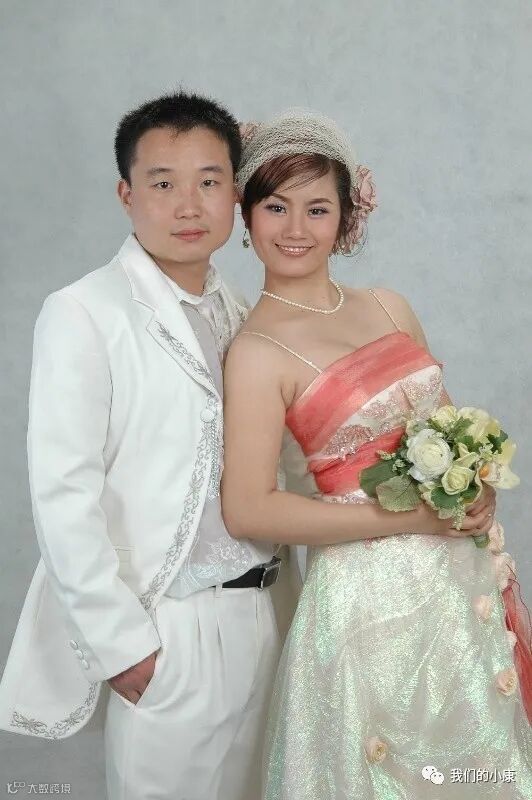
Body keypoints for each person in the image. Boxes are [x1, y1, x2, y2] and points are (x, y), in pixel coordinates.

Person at [0, 92, 302, 800]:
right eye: (163, 183)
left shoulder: (243, 313)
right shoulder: (85, 311)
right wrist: (124, 645)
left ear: (235, 194)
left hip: (264, 612)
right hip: (168, 627)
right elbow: (63, 491)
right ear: (126, 194)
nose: (188, 206)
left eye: (209, 181)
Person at [221, 110, 532, 799]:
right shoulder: (256, 351)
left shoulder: (390, 306)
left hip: (460, 582)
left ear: (347, 216)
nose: (295, 228)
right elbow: (248, 509)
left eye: (317, 208)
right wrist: (407, 519)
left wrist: (478, 489)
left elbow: (451, 429)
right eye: (275, 206)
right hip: (366, 604)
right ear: (246, 214)